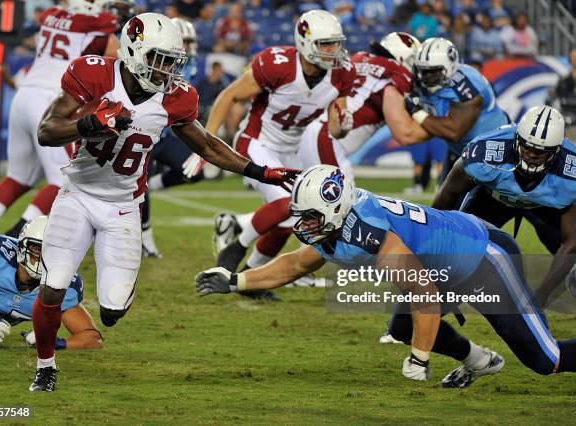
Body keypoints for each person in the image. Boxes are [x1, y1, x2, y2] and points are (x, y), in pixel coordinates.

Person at [28, 13, 297, 392]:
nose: (167, 68)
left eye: (172, 60)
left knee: (112, 312)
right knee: (53, 284)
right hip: (78, 196)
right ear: (135, 51)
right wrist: (88, 124)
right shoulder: (95, 74)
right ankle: (45, 366)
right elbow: (46, 131)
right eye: (159, 58)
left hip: (123, 206)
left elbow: (206, 145)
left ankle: (104, 287)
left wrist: (259, 171)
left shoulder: (176, 97)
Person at [195, 165, 576, 388]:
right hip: (443, 267)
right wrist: (236, 281)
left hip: (482, 260)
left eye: (311, 215)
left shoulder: (368, 230)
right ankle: (479, 360)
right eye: (303, 214)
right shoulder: (338, 225)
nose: (303, 223)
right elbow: (294, 264)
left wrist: (420, 360)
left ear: (335, 208)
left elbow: (424, 294)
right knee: (402, 326)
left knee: (545, 360)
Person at [214, 32, 430, 272]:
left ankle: (245, 241)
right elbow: (404, 133)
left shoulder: (359, 59)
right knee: (343, 203)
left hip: (312, 132)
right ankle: (281, 258)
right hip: (320, 134)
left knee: (305, 205)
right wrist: (439, 127)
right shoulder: (394, 74)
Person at [207, 10, 356, 299]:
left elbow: (336, 128)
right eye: (325, 44)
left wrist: (343, 125)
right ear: (305, 42)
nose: (332, 51)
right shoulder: (279, 65)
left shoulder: (342, 73)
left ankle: (250, 279)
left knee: (292, 221)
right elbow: (230, 96)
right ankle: (234, 249)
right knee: (289, 204)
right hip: (257, 141)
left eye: (335, 43)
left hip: (292, 148)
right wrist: (209, 143)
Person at [0, 0, 121, 248]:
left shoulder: (50, 14)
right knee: (63, 178)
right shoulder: (93, 21)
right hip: (51, 100)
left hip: (25, 94)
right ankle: (18, 232)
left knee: (19, 175)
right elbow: (112, 41)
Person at [432, 106, 576, 307]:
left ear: (556, 151)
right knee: (455, 251)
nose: (532, 154)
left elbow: (572, 243)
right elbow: (449, 193)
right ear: (517, 139)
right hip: (492, 198)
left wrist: (540, 298)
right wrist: (432, 233)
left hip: (544, 205)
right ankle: (414, 316)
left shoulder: (571, 172)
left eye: (541, 151)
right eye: (527, 146)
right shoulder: (485, 152)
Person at [0, 216, 102, 350]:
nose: (42, 256)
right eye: (37, 248)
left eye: (50, 251)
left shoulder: (61, 288)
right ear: (22, 246)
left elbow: (92, 338)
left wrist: (52, 343)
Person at [406, 37, 510, 187]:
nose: (425, 77)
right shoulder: (422, 81)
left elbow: (454, 131)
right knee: (444, 201)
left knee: (478, 205)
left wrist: (416, 111)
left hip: (492, 150)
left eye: (432, 71)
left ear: (449, 67)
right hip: (459, 150)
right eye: (422, 71)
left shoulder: (469, 84)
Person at [139, 17, 202, 258]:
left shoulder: (191, 66)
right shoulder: (152, 62)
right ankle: (145, 239)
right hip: (145, 131)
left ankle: (154, 185)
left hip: (165, 135)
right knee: (139, 185)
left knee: (193, 170)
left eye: (189, 42)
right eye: (182, 41)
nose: (186, 47)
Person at [549, 48, 576, 140]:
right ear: (570, 60)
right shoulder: (563, 80)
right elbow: (553, 97)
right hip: (568, 121)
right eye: (573, 57)